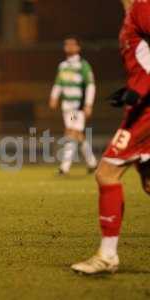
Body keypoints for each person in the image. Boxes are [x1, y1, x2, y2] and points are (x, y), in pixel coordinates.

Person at [71, 0, 150, 274]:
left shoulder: (142, 7)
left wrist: (140, 90)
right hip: (141, 106)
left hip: (146, 112)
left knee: (106, 174)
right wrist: (133, 89)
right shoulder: (133, 12)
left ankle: (107, 255)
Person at [49, 36, 97, 175]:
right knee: (78, 135)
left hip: (78, 105)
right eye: (67, 44)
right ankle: (92, 163)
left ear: (78, 47)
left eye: (72, 44)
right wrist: (54, 97)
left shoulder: (83, 65)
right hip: (67, 107)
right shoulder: (63, 66)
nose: (69, 46)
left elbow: (90, 86)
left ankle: (64, 167)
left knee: (71, 133)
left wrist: (88, 104)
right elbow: (58, 83)